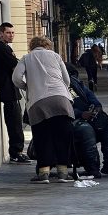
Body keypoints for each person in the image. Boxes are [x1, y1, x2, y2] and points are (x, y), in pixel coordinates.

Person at [12, 36, 74, 184]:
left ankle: (44, 174)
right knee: (62, 137)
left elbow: (16, 78)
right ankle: (63, 174)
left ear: (32, 46)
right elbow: (67, 80)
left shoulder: (26, 58)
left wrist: (27, 87)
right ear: (47, 46)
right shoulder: (56, 56)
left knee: (42, 137)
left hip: (38, 102)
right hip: (61, 100)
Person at [66, 63, 108, 178]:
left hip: (89, 115)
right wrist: (81, 114)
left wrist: (96, 108)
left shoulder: (78, 84)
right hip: (73, 120)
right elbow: (63, 109)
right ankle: (93, 168)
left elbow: (93, 99)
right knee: (87, 131)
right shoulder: (58, 87)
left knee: (107, 126)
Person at [0, 22, 31, 163]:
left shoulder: (5, 47)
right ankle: (16, 152)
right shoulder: (1, 48)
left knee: (16, 122)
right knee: (14, 123)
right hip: (8, 91)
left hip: (11, 90)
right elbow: (16, 66)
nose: (11, 35)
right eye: (8, 32)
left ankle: (17, 151)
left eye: (13, 33)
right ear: (1, 33)